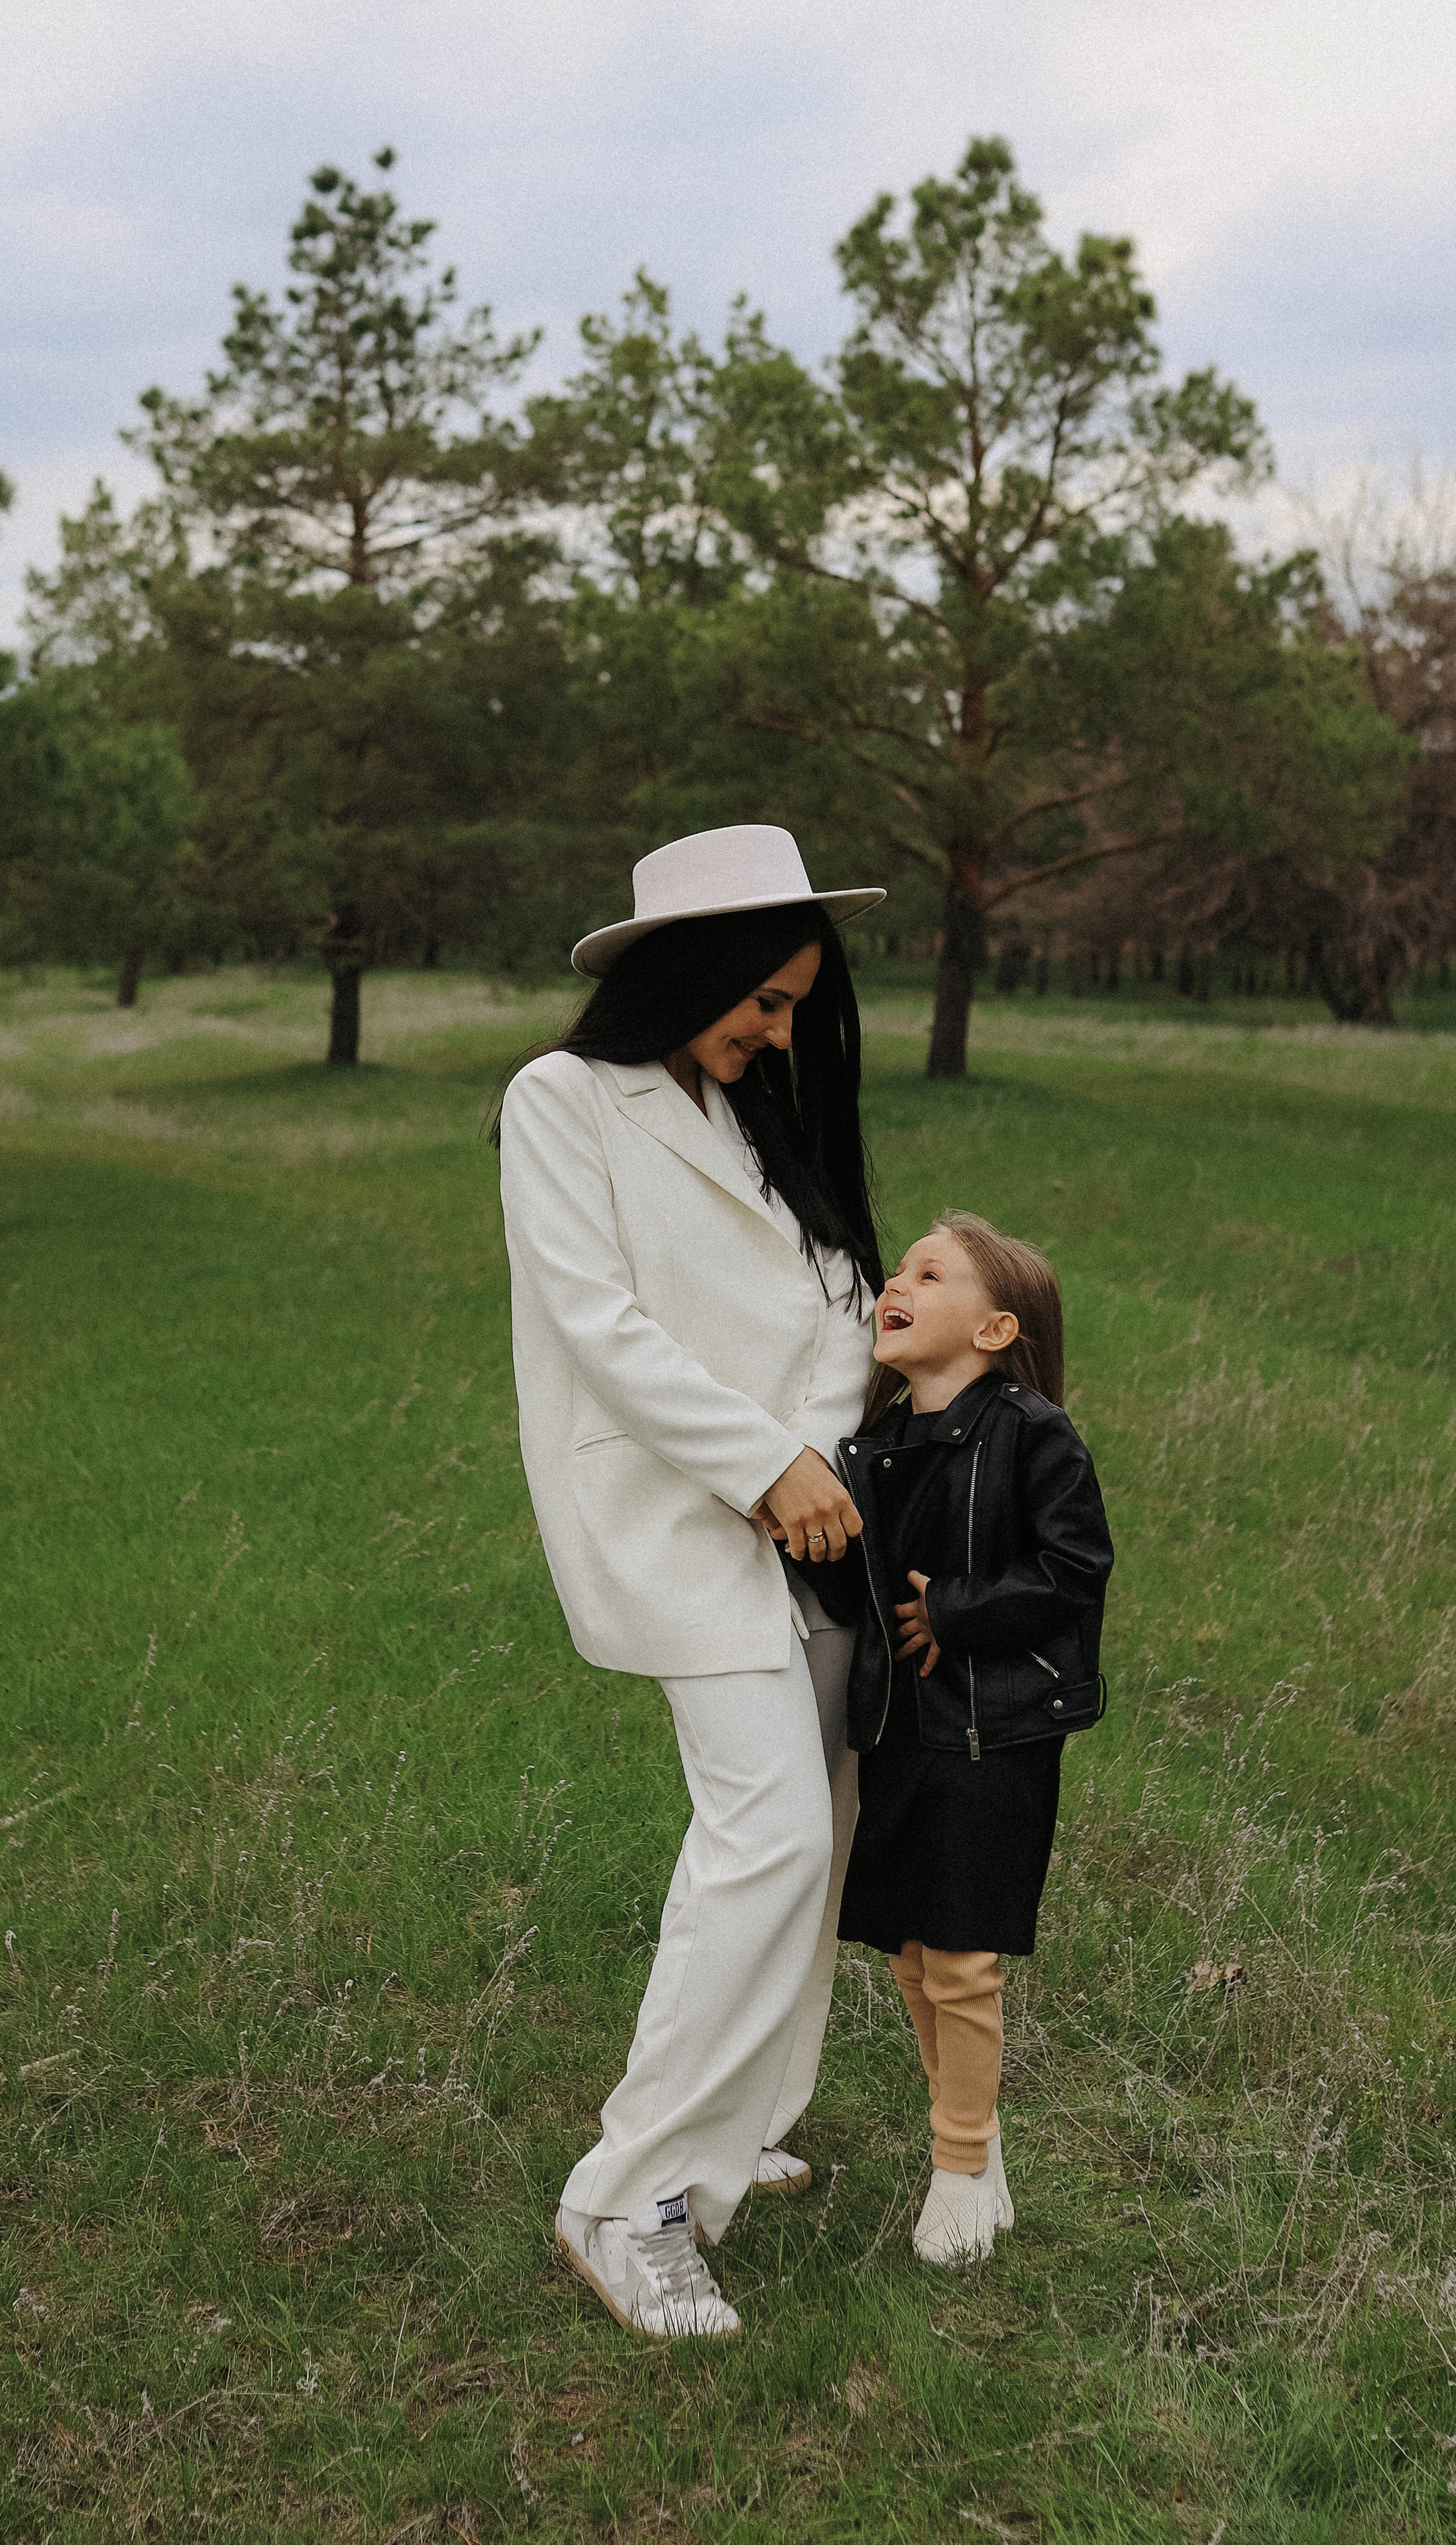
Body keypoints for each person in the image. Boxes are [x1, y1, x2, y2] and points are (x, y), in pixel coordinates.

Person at [495, 823, 885, 2339]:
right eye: (764, 1000)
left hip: (820, 1529)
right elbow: (599, 1319)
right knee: (768, 1836)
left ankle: (734, 2129)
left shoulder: (753, 1115)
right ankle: (625, 2196)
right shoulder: (562, 1101)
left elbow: (829, 1305)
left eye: (794, 1007)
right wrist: (760, 1465)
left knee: (829, 1827)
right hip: (682, 1519)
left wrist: (848, 1469)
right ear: (691, 970)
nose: (778, 1031)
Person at [807, 1212, 1114, 2265]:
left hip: (997, 1734)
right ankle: (974, 2149)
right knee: (907, 1950)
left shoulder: (1035, 1434)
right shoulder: (878, 1444)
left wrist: (961, 1612)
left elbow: (1076, 1572)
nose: (898, 1282)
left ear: (992, 1331)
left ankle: (958, 2165)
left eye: (929, 1274)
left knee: (965, 1958)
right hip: (901, 1730)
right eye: (901, 1268)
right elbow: (860, 1581)